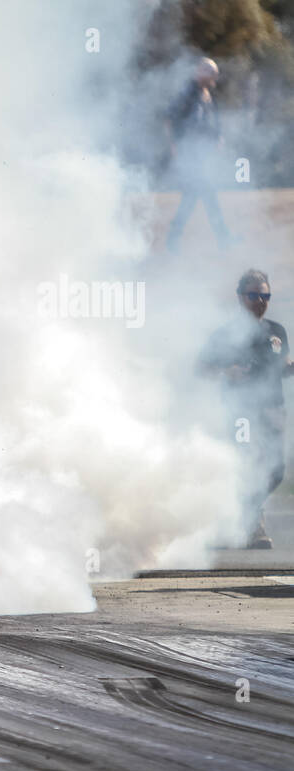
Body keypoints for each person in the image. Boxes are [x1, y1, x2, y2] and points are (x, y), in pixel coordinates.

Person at [201, 269, 292, 548]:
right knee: (244, 465)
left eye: (265, 295)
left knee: (275, 471)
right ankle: (245, 525)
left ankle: (245, 518)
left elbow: (281, 366)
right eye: (254, 295)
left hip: (273, 410)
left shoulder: (277, 331)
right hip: (241, 412)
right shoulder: (227, 333)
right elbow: (203, 367)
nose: (260, 301)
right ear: (241, 297)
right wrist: (226, 371)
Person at [164, 57, 233, 252]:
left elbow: (210, 123)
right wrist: (174, 146)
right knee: (205, 194)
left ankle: (174, 240)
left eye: (215, 73)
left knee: (194, 196)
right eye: (211, 72)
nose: (215, 76)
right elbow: (169, 118)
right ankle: (222, 238)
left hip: (202, 154)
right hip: (189, 153)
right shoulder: (188, 93)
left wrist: (217, 139)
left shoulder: (207, 94)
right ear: (199, 72)